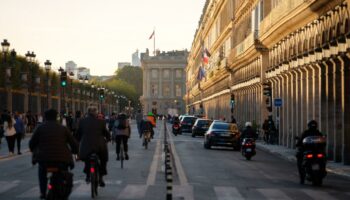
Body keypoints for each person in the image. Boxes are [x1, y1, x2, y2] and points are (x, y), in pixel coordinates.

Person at [29, 109, 78, 199]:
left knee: (42, 172)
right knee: (64, 174)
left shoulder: (40, 128)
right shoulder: (63, 128)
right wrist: (75, 151)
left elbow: (31, 144)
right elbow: (73, 143)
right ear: (56, 117)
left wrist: (34, 150)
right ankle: (63, 189)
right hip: (62, 160)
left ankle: (43, 192)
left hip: (44, 160)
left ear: (45, 117)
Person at [76, 106, 110, 186]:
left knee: (87, 158)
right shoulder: (101, 122)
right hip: (99, 146)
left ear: (87, 112)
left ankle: (88, 175)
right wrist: (108, 139)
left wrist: (77, 141)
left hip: (86, 146)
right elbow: (106, 133)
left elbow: (78, 134)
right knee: (103, 159)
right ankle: (101, 177)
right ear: (96, 113)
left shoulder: (82, 121)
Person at [296, 120, 324, 184]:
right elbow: (323, 142)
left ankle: (302, 178)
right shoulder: (318, 133)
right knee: (300, 157)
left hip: (310, 151)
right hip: (316, 151)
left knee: (300, 159)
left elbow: (300, 141)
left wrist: (298, 144)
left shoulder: (306, 133)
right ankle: (303, 177)